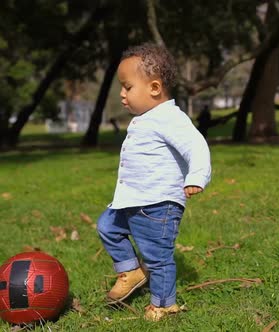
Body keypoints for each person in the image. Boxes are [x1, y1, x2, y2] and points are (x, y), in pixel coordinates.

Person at [96, 43, 211, 322]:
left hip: (157, 205)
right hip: (131, 200)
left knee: (158, 257)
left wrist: (196, 177)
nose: (122, 94)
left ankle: (163, 304)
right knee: (106, 226)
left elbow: (196, 146)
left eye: (127, 87)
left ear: (155, 88)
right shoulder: (146, 118)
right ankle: (132, 270)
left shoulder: (170, 118)